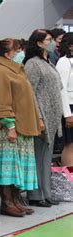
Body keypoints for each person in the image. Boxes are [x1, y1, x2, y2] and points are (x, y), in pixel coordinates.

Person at [0, 38, 43, 217]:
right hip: (9, 128)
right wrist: (10, 126)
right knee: (7, 168)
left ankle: (16, 200)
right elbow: (2, 103)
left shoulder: (17, 70)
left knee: (18, 166)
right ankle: (7, 202)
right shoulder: (2, 72)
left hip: (22, 126)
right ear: (8, 53)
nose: (21, 53)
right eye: (18, 50)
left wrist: (38, 118)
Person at [24, 29, 64, 207]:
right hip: (41, 116)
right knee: (38, 156)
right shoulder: (32, 64)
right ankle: (35, 194)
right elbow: (30, 92)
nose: (52, 42)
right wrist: (38, 117)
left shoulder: (46, 61)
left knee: (46, 157)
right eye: (48, 39)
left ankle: (46, 192)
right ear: (39, 43)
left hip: (52, 116)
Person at [56, 32, 73, 167]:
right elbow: (61, 89)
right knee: (70, 144)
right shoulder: (63, 61)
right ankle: (69, 180)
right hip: (69, 107)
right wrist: (67, 114)